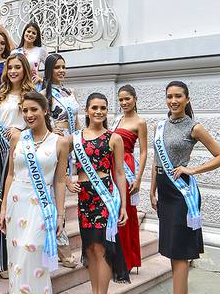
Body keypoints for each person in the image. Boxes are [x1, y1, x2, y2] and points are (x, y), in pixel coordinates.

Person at [150, 81, 220, 294]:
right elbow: (156, 161)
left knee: (180, 251)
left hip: (181, 193)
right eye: (169, 96)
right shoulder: (160, 126)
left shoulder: (194, 127)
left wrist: (192, 170)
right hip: (164, 191)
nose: (173, 101)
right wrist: (151, 191)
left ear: (187, 99)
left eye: (178, 96)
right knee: (172, 250)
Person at [0, 92, 68, 293]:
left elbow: (60, 180)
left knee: (33, 252)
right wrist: (3, 208)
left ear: (45, 110)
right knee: (17, 258)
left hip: (41, 206)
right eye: (25, 110)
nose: (29, 114)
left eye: (34, 109)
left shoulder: (59, 142)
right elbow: (10, 175)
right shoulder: (18, 138)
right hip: (16, 203)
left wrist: (61, 215)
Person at [0, 53, 35, 278]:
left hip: (23, 150)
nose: (13, 71)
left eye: (17, 67)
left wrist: (22, 132)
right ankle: (3, 263)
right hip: (2, 151)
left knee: (21, 202)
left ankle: (24, 257)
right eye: (10, 67)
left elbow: (38, 122)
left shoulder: (30, 96)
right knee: (5, 200)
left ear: (25, 70)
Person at [71, 92, 130, 293]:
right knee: (90, 247)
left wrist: (124, 205)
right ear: (87, 110)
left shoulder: (114, 138)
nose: (98, 111)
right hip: (84, 198)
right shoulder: (75, 138)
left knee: (103, 248)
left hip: (105, 197)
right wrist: (69, 181)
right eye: (94, 108)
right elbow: (57, 163)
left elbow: (120, 173)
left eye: (103, 108)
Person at [41, 53, 81, 268]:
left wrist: (81, 140)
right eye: (57, 67)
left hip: (72, 146)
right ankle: (63, 250)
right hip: (55, 147)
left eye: (63, 67)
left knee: (61, 197)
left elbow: (75, 120)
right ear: (49, 70)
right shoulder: (43, 94)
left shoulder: (69, 91)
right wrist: (50, 130)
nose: (61, 71)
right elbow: (37, 121)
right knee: (57, 197)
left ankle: (58, 246)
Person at [111, 84, 148, 272]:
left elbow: (143, 152)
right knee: (113, 209)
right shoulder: (116, 120)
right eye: (121, 99)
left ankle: (127, 260)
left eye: (127, 98)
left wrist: (139, 178)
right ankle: (115, 258)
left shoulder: (140, 122)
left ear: (135, 99)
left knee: (126, 212)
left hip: (127, 167)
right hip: (112, 166)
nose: (124, 102)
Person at [11, 22, 48, 90]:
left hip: (34, 87)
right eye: (28, 31)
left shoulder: (40, 51)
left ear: (37, 37)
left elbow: (51, 67)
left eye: (33, 33)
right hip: (18, 87)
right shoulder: (14, 52)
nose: (30, 34)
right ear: (24, 33)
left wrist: (42, 79)